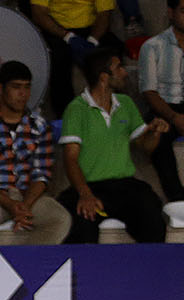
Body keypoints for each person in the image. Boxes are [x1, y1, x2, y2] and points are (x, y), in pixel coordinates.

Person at [57, 47, 170, 243]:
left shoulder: (126, 103)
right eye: (119, 68)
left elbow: (146, 147)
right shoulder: (76, 109)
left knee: (152, 213)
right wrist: (85, 194)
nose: (124, 72)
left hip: (125, 186)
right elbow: (71, 159)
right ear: (104, 77)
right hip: (90, 186)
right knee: (82, 222)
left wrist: (155, 132)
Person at [0, 61, 72, 244]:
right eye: (16, 87)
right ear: (0, 89)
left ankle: (28, 259)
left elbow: (42, 175)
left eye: (27, 87)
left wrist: (24, 206)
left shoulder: (40, 126)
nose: (23, 94)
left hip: (30, 196)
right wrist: (11, 205)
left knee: (60, 219)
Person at [29, 0, 121, 117]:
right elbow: (38, 13)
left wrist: (93, 40)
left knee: (112, 54)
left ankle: (114, 110)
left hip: (91, 30)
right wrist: (67, 36)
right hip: (57, 30)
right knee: (58, 60)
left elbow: (104, 14)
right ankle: (66, 116)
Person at [138, 0, 184, 204]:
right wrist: (174, 117)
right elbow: (149, 92)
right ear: (171, 13)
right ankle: (178, 200)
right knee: (159, 136)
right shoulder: (152, 46)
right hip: (165, 106)